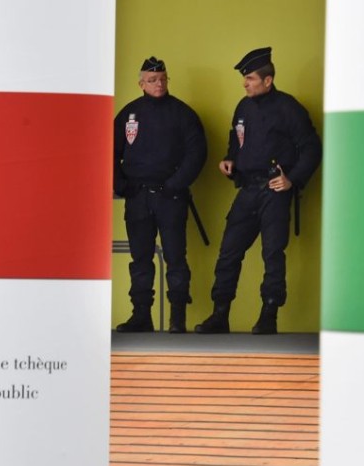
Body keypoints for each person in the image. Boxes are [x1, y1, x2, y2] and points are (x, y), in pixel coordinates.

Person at [195, 47, 321, 335]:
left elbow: (312, 147)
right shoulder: (243, 106)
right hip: (247, 189)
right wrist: (230, 161)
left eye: (250, 78)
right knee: (228, 253)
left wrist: (293, 179)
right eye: (245, 79)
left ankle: (269, 315)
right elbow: (236, 140)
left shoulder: (289, 108)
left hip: (274, 191)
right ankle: (220, 314)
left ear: (268, 80)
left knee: (272, 254)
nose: (245, 83)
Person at [114, 56, 207, 333]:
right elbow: (109, 152)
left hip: (170, 197)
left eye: (163, 79)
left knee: (175, 257)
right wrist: (122, 186)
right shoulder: (128, 114)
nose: (159, 84)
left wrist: (175, 185)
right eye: (153, 80)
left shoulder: (183, 114)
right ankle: (141, 314)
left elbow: (197, 154)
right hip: (138, 197)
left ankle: (177, 317)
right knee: (140, 258)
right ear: (141, 83)